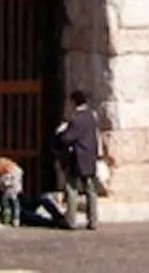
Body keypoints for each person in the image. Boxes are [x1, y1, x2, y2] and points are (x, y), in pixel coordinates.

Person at [51, 90, 101, 230]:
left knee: (71, 188)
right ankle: (93, 220)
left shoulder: (76, 119)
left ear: (73, 102)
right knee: (90, 189)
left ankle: (71, 220)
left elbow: (68, 138)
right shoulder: (92, 116)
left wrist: (60, 133)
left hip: (77, 157)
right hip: (90, 157)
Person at [0, 156, 24, 227]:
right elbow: (17, 182)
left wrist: (3, 187)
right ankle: (15, 221)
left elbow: (1, 185)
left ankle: (7, 220)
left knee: (7, 207)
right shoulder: (16, 172)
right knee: (15, 207)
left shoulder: (4, 176)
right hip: (14, 193)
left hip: (7, 193)